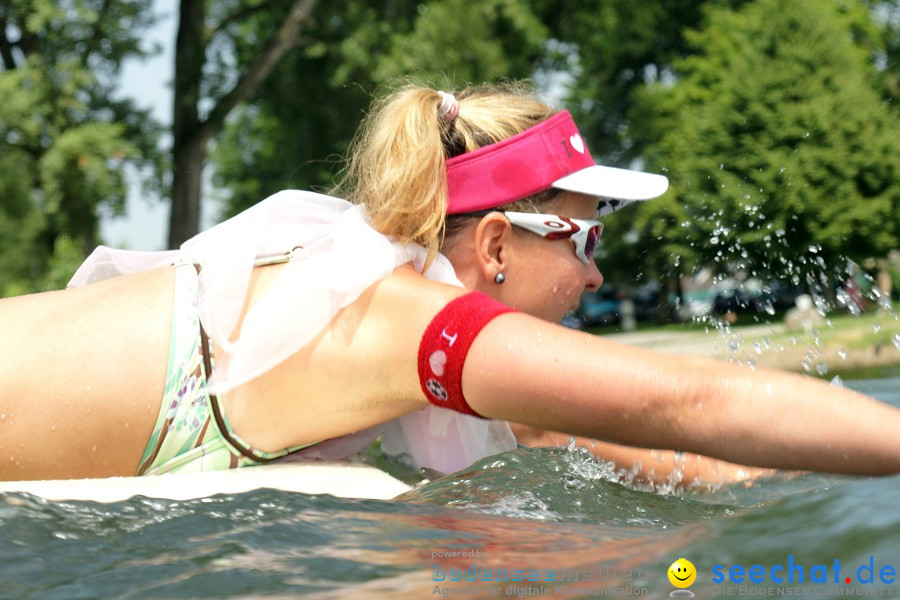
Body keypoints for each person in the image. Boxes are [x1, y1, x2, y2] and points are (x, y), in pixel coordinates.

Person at [1, 83, 898, 485]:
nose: (596, 272)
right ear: (498, 242)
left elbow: (652, 445)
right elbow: (684, 400)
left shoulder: (367, 287)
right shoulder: (398, 319)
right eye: (583, 238)